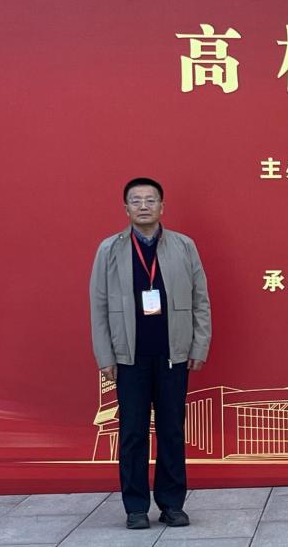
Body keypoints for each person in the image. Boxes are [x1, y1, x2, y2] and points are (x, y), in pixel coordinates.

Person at [90, 177, 211, 530]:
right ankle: (136, 507)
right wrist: (105, 357)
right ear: (126, 208)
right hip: (129, 357)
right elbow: (98, 306)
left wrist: (199, 345)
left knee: (172, 430)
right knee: (133, 432)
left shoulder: (184, 246)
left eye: (150, 200)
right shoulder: (109, 250)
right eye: (136, 200)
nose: (143, 206)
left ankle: (172, 505)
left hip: (174, 354)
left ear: (162, 206)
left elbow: (201, 300)